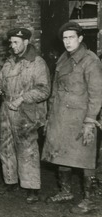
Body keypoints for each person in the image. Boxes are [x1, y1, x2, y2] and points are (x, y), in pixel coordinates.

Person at [42, 22, 102, 213]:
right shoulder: (63, 59)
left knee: (85, 159)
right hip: (61, 117)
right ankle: (66, 191)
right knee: (61, 154)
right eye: (65, 38)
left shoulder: (90, 61)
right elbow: (55, 91)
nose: (67, 42)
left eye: (71, 38)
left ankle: (89, 199)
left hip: (80, 118)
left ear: (80, 39)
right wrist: (50, 116)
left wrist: (89, 121)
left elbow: (97, 94)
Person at [0, 28, 50, 203]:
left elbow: (44, 90)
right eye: (11, 42)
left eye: (15, 42)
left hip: (26, 112)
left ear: (26, 42)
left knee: (27, 149)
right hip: (6, 109)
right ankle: (10, 181)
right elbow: (1, 80)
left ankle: (32, 187)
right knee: (6, 147)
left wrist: (23, 98)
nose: (12, 45)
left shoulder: (37, 63)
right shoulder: (9, 62)